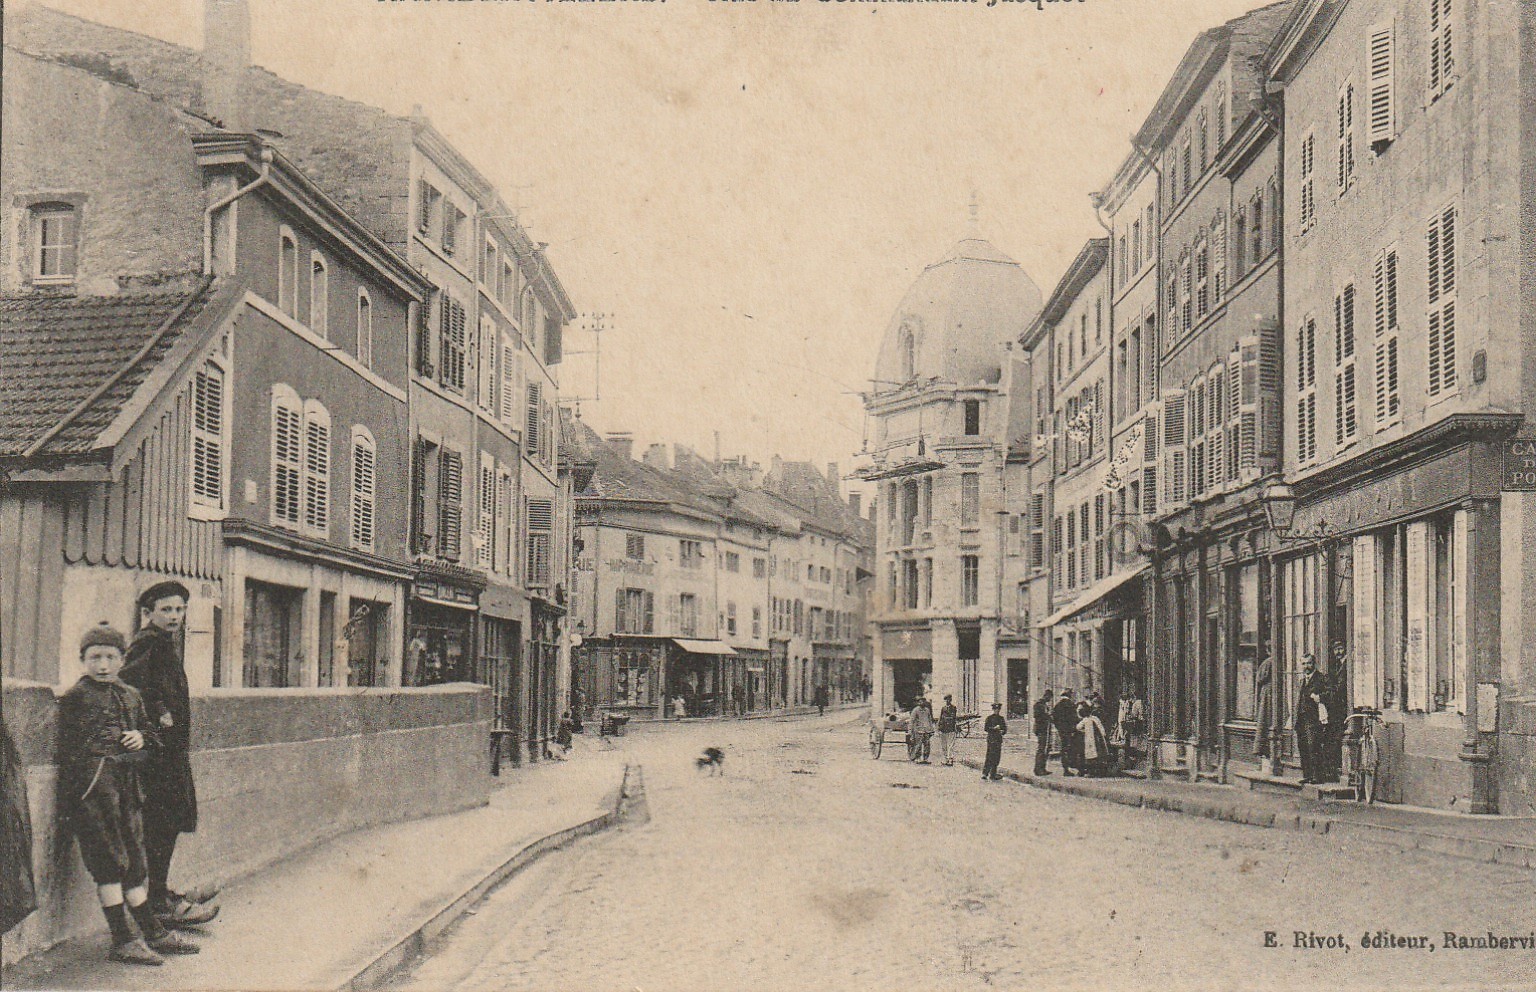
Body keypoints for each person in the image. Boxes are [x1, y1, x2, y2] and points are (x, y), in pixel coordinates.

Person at [60, 624, 199, 965]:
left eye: (110, 657)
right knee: (109, 865)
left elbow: (152, 741)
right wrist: (85, 792)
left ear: (122, 659)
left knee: (135, 863)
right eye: (95, 658)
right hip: (95, 796)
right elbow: (69, 754)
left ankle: (152, 933)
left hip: (128, 793)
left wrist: (140, 737)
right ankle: (122, 938)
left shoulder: (131, 695)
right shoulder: (77, 698)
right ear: (83, 660)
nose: (103, 665)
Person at [119, 582, 218, 930]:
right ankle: (158, 902)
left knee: (169, 824)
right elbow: (128, 688)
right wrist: (157, 713)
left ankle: (161, 894)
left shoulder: (163, 643)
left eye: (179, 609)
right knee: (161, 826)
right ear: (149, 613)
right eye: (167, 610)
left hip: (170, 752)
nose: (175, 616)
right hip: (157, 756)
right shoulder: (147, 643)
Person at [1295, 655, 1329, 784]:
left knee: (1313, 746)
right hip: (1302, 718)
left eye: (1309, 663)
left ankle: (1317, 776)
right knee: (1303, 746)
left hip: (1314, 718)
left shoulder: (1321, 678)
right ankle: (1307, 775)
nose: (1306, 667)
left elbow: (1331, 693)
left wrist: (1320, 697)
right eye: (1303, 664)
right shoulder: (1302, 680)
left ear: (1314, 664)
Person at [1077, 701, 1110, 777]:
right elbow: (1101, 727)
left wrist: (1083, 730)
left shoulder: (1085, 720)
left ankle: (1092, 772)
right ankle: (1099, 771)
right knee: (1098, 755)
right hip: (1098, 740)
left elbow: (1078, 727)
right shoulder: (1095, 718)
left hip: (1090, 740)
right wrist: (1103, 735)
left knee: (1091, 756)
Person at [1052, 689, 1079, 776]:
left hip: (1061, 731)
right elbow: (1074, 718)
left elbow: (1054, 718)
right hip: (1070, 731)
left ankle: (1065, 768)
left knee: (1064, 749)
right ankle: (1070, 767)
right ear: (1070, 695)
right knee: (1070, 748)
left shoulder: (1057, 705)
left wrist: (1059, 727)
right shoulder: (1070, 705)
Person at [1254, 652, 1275, 760]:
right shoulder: (1270, 662)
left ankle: (1263, 749)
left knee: (1265, 720)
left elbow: (1259, 679)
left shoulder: (1268, 662)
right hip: (1269, 694)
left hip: (1268, 693)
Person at [982, 703, 1007, 780]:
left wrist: (1002, 731)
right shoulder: (989, 718)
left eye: (998, 709)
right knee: (989, 756)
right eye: (995, 709)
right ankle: (985, 773)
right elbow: (986, 728)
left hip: (998, 740)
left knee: (996, 757)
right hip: (991, 740)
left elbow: (1005, 729)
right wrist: (994, 728)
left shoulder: (1001, 719)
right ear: (993, 710)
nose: (997, 711)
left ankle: (993, 774)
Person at [1031, 691, 1054, 776]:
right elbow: (1037, 716)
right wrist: (1048, 716)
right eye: (1049, 697)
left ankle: (1043, 768)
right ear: (1046, 696)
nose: (1050, 700)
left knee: (1046, 749)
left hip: (1046, 729)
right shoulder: (1038, 705)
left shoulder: (1044, 705)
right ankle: (1038, 769)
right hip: (1042, 729)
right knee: (1042, 749)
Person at [907, 697, 935, 763]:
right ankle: (918, 758)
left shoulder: (927, 710)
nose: (922, 703)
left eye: (923, 701)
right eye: (920, 702)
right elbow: (912, 721)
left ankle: (925, 758)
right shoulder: (915, 710)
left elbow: (930, 720)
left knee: (927, 745)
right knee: (918, 745)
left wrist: (931, 729)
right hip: (918, 730)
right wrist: (910, 730)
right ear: (918, 703)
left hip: (926, 730)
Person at [936, 695, 959, 766]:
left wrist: (945, 718)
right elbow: (940, 717)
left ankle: (950, 759)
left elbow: (953, 717)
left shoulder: (953, 708)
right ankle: (946, 759)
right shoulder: (943, 708)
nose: (947, 701)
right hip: (943, 729)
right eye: (946, 700)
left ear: (951, 700)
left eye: (949, 700)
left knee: (950, 745)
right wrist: (938, 726)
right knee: (944, 745)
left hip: (951, 728)